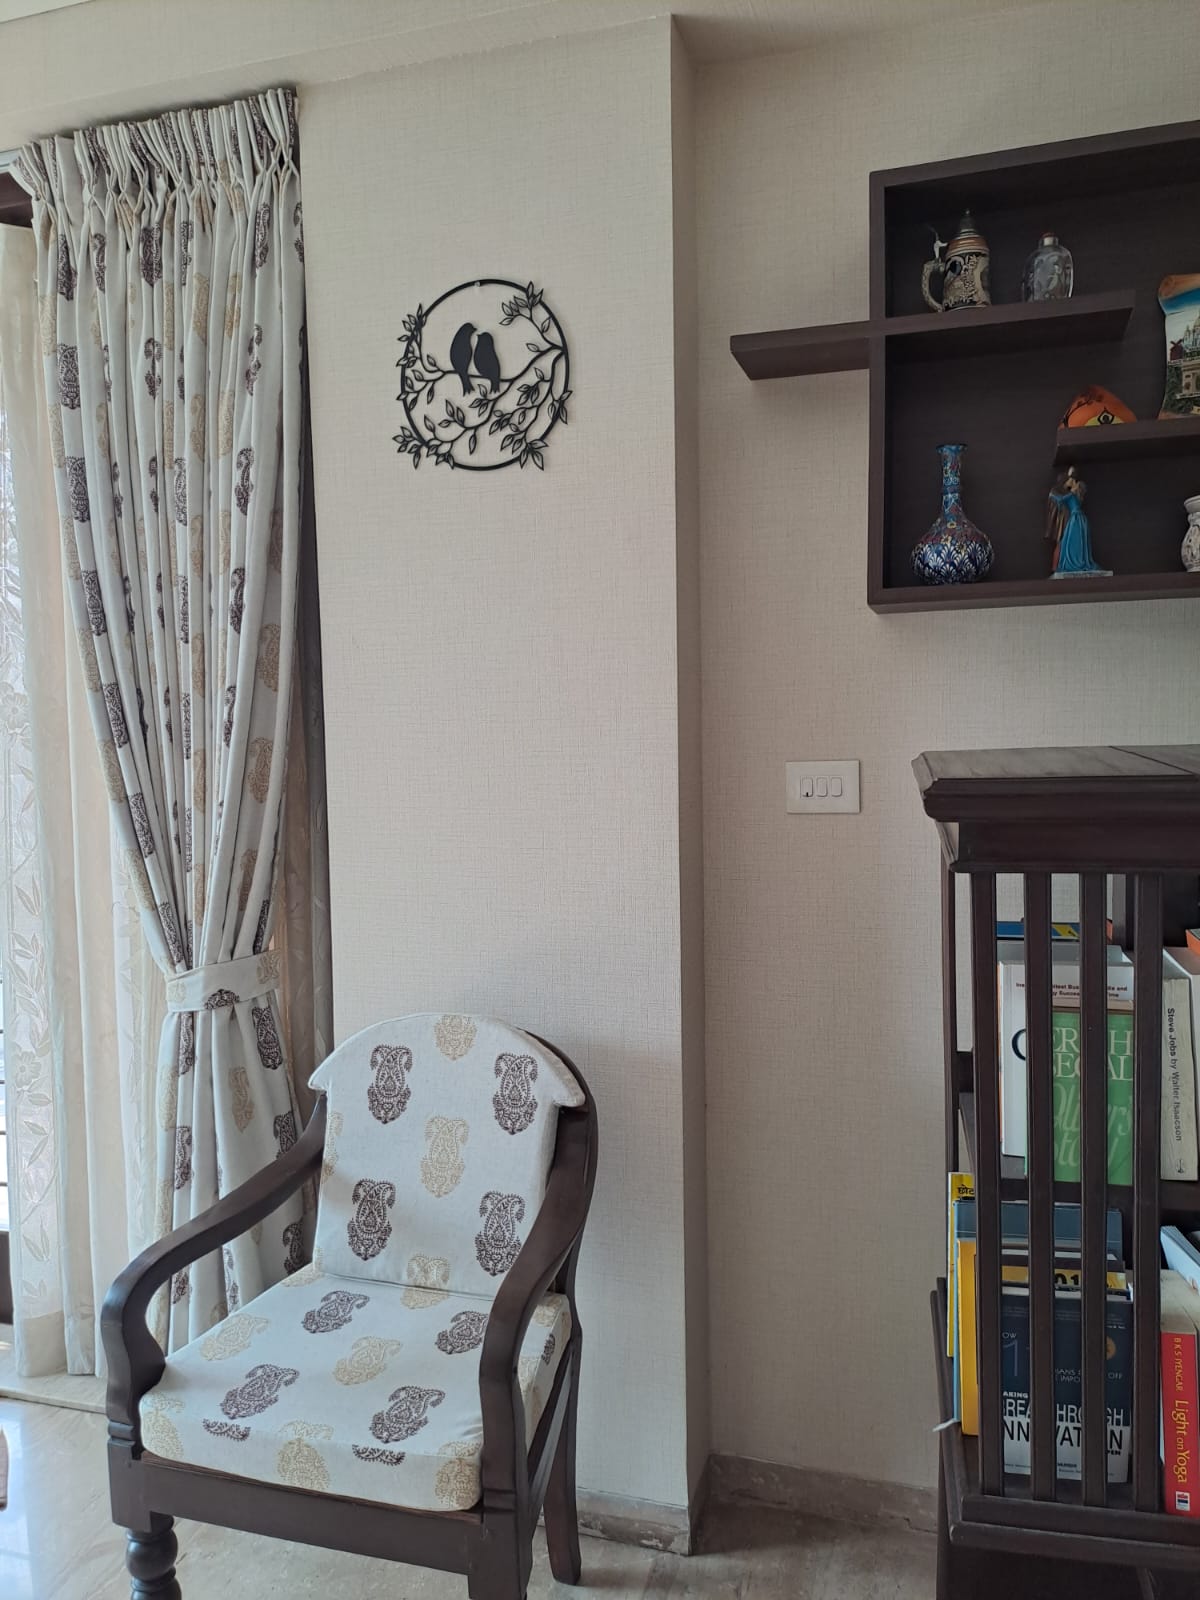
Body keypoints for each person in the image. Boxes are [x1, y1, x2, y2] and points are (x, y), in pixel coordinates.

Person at [1046, 467, 1111, 577]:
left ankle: (1072, 563)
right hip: (1081, 519)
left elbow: (1058, 498)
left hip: (1075, 519)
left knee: (1070, 542)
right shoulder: (1077, 496)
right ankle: (1079, 561)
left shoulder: (1071, 495)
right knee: (1078, 541)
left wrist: (1054, 492)